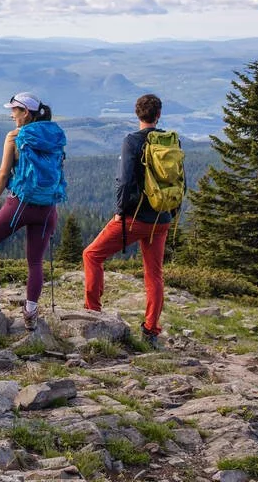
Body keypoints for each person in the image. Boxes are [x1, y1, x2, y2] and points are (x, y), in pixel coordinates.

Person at [0, 92, 65, 329]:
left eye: (14, 110)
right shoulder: (53, 136)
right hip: (48, 208)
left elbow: (3, 172)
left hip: (21, 203)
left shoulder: (15, 136)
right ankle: (30, 313)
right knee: (35, 262)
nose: (11, 115)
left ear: (26, 113)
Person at [82, 93, 173, 348]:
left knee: (91, 255)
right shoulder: (169, 142)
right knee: (154, 274)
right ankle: (151, 330)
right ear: (158, 115)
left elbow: (124, 180)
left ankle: (93, 311)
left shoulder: (132, 141)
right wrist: (171, 212)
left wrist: (120, 211)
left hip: (135, 218)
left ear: (137, 114)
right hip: (161, 218)